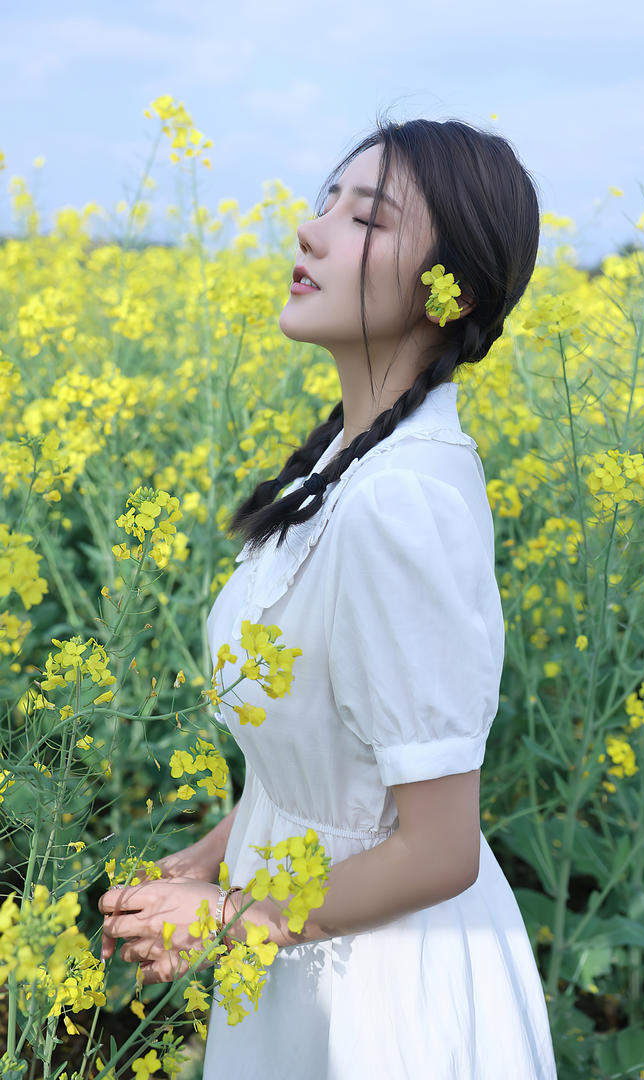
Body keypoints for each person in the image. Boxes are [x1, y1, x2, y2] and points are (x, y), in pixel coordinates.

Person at [99, 114, 559, 1078]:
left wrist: (231, 919)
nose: (310, 231)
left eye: (369, 217)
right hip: (305, 943)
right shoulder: (352, 467)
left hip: (381, 995)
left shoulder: (400, 498)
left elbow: (440, 851)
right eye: (325, 204)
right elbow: (338, 765)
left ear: (450, 289)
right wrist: (215, 856)